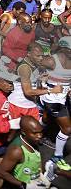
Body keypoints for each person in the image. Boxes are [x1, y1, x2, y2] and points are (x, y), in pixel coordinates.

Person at [39, 36, 71, 170]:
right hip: (51, 99)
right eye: (69, 49)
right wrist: (42, 83)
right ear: (62, 48)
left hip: (61, 98)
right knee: (67, 128)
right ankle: (57, 156)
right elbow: (30, 67)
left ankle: (35, 128)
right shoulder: (52, 60)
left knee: (46, 118)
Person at [0, 116, 49, 188]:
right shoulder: (17, 151)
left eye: (40, 132)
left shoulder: (34, 140)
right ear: (23, 132)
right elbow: (1, 172)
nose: (39, 136)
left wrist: (41, 175)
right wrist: (23, 185)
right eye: (35, 133)